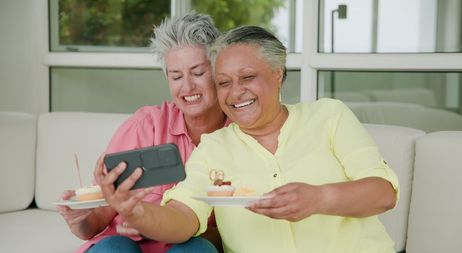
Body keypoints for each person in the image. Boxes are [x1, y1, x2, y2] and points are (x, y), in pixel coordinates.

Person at [95, 25, 399, 253]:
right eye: (224, 83)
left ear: (277, 74)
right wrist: (138, 212)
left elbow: (384, 193)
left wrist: (319, 198)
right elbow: (183, 216)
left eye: (248, 77)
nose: (235, 92)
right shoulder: (215, 147)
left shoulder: (329, 116)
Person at [56, 13, 228, 253]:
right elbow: (99, 217)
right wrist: (80, 220)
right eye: (176, 76)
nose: (187, 87)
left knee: (197, 249)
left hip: (188, 244)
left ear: (218, 71)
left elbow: (234, 231)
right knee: (114, 248)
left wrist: (157, 224)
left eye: (198, 73)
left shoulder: (237, 136)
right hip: (124, 245)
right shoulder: (146, 125)